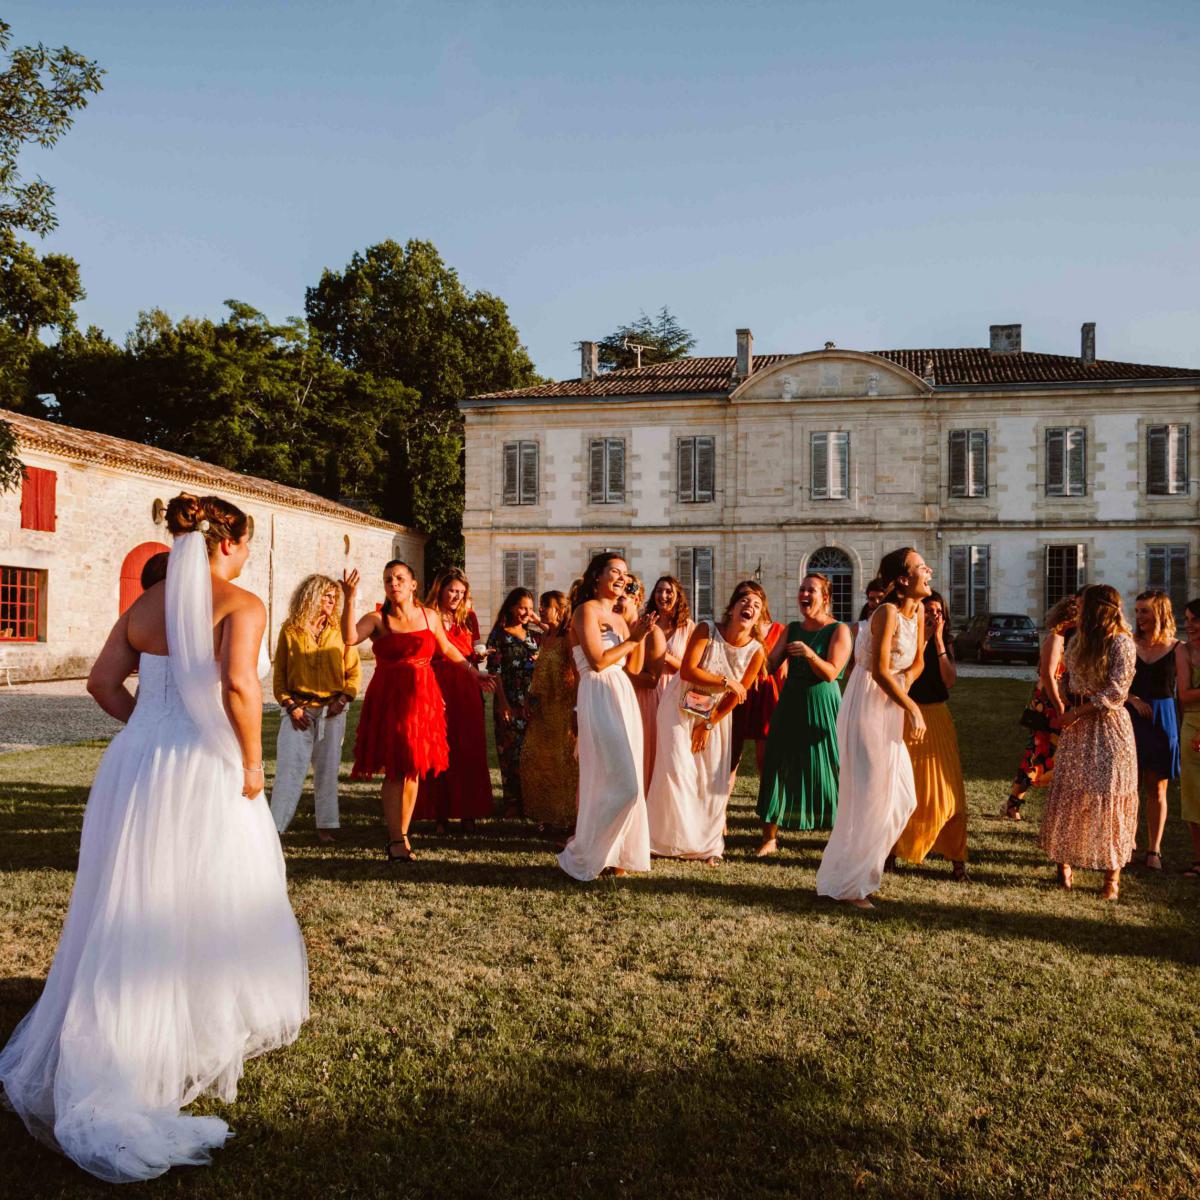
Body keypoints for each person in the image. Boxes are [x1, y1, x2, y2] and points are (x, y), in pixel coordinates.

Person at [0, 493, 308, 1183]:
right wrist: (253, 765)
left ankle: (123, 1019)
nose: (245, 557)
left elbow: (102, 683)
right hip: (203, 763)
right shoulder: (241, 603)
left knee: (128, 895)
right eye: (245, 545)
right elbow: (235, 687)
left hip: (136, 763)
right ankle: (195, 1023)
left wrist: (147, 725)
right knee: (210, 889)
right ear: (227, 544)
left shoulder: (145, 607)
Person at [816, 548, 930, 909]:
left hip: (891, 702)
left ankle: (859, 874)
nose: (928, 570)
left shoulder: (921, 612)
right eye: (920, 566)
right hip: (866, 702)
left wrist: (907, 684)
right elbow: (879, 670)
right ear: (902, 579)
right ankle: (851, 885)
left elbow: (918, 661)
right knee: (867, 795)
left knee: (900, 797)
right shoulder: (886, 612)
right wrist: (912, 707)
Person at [341, 560, 469, 863]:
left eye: (399, 578)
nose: (393, 583)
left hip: (423, 699)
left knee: (414, 769)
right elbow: (349, 638)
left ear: (413, 584)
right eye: (388, 579)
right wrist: (349, 598)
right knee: (396, 771)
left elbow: (448, 649)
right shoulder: (377, 618)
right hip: (390, 699)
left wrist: (473, 672)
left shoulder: (430, 616)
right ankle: (396, 838)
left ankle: (404, 833)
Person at [646, 582, 766, 864]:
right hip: (678, 705)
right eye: (745, 602)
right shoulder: (707, 629)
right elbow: (688, 669)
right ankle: (662, 840)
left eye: (757, 606)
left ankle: (705, 846)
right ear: (733, 606)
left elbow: (737, 697)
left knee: (708, 778)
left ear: (759, 617)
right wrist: (726, 681)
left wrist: (709, 724)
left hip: (715, 715)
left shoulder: (756, 650)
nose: (749, 607)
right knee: (676, 770)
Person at [558, 554, 655, 880]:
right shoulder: (585, 611)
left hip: (622, 694)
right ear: (596, 576)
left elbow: (635, 667)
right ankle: (582, 852)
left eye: (625, 574)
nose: (621, 578)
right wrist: (632, 638)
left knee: (625, 779)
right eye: (614, 572)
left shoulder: (618, 617)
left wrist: (635, 627)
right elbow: (597, 662)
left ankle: (617, 856)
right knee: (619, 781)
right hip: (598, 692)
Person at [1038, 584, 1138, 901]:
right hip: (1077, 726)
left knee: (1109, 796)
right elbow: (1065, 675)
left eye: (1082, 605)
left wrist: (1077, 711)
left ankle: (1112, 879)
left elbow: (1116, 692)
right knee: (1071, 792)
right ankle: (1064, 866)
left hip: (1108, 728)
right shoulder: (1078, 641)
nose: (1076, 610)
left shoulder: (1121, 643)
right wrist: (1063, 696)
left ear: (1097, 609)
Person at [756, 573, 852, 854]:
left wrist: (810, 655)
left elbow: (832, 673)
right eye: (801, 590)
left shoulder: (839, 630)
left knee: (829, 766)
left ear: (825, 597)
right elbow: (770, 666)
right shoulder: (793, 628)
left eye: (811, 590)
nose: (804, 595)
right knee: (776, 762)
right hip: (790, 702)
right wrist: (754, 642)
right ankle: (769, 838)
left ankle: (838, 833)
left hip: (823, 702)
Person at [269, 574, 360, 842]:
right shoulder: (290, 630)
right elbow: (280, 677)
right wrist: (290, 706)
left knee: (328, 771)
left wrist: (342, 700)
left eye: (335, 597)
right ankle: (275, 829)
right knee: (288, 770)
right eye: (327, 596)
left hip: (332, 711)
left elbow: (353, 674)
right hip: (299, 710)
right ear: (311, 595)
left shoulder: (340, 631)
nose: (332, 601)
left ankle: (326, 826)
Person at [894, 590, 969, 880]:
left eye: (939, 611)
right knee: (902, 784)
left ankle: (956, 859)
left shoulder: (945, 642)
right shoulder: (905, 638)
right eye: (929, 610)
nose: (934, 615)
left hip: (937, 716)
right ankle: (892, 850)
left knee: (946, 789)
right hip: (907, 714)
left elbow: (949, 680)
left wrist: (937, 640)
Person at [414, 567, 495, 835]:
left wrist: (480, 658)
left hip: (467, 686)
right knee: (439, 749)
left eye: (461, 592)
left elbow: (474, 649)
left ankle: (468, 812)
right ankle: (440, 814)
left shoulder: (469, 618)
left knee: (468, 749)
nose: (457, 596)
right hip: (436, 684)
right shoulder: (427, 616)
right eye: (452, 591)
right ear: (440, 590)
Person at [1003, 593, 1081, 820]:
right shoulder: (1057, 638)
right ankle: (1013, 803)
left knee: (1053, 755)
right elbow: (1048, 674)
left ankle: (1017, 804)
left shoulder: (1072, 638)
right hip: (1049, 703)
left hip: (1060, 701)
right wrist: (1059, 706)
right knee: (1039, 753)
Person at [1126, 589, 1181, 869]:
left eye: (1145, 610)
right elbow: (1112, 682)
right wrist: (1132, 699)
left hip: (1163, 719)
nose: (1139, 617)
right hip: (1130, 719)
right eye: (1136, 611)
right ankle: (1126, 844)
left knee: (1156, 788)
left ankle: (1153, 851)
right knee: (1127, 786)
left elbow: (1182, 693)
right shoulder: (1127, 643)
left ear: (1160, 612)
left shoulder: (1177, 648)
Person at [521, 588, 580, 833]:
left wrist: (577, 707)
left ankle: (568, 817)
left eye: (546, 605)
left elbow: (577, 674)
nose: (541, 609)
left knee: (563, 761)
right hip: (542, 705)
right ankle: (546, 813)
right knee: (536, 757)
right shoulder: (547, 635)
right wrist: (531, 696)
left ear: (560, 610)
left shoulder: (568, 638)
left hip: (563, 705)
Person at [629, 576, 695, 791]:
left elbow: (691, 667)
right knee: (648, 744)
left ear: (678, 597)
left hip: (673, 690)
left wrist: (664, 656)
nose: (663, 596)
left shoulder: (688, 628)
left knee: (671, 748)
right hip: (648, 689)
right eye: (659, 591)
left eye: (669, 592)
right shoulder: (645, 623)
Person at [487, 588, 541, 818]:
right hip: (508, 697)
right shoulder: (499, 635)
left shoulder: (534, 635)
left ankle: (531, 800)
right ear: (511, 607)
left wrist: (538, 621)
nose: (526, 613)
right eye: (522, 607)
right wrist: (503, 703)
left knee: (531, 751)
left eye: (530, 608)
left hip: (532, 701)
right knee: (510, 751)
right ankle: (511, 802)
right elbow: (495, 671)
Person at [730, 616, 787, 780]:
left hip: (766, 694)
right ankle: (721, 801)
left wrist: (784, 705)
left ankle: (767, 799)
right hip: (741, 690)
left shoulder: (778, 630)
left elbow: (782, 672)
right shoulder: (739, 626)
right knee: (731, 755)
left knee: (765, 753)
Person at [1176, 599, 1200, 877]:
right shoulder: (1184, 651)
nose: (1189, 625)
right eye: (1187, 619)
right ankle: (1198, 860)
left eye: (1195, 619)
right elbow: (1184, 694)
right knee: (1194, 795)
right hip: (1192, 725)